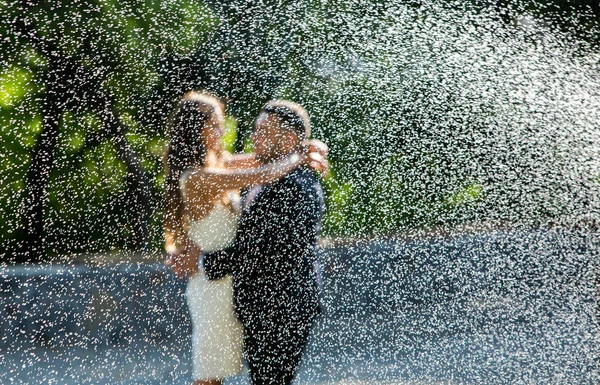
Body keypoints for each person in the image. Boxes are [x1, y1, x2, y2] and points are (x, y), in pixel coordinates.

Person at [163, 92, 327, 385]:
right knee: (209, 375)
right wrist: (297, 154)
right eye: (216, 124)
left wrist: (304, 146)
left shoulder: (220, 165)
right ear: (198, 131)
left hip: (237, 287)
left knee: (227, 373)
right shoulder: (199, 176)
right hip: (214, 286)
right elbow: (265, 171)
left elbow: (261, 159)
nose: (224, 130)